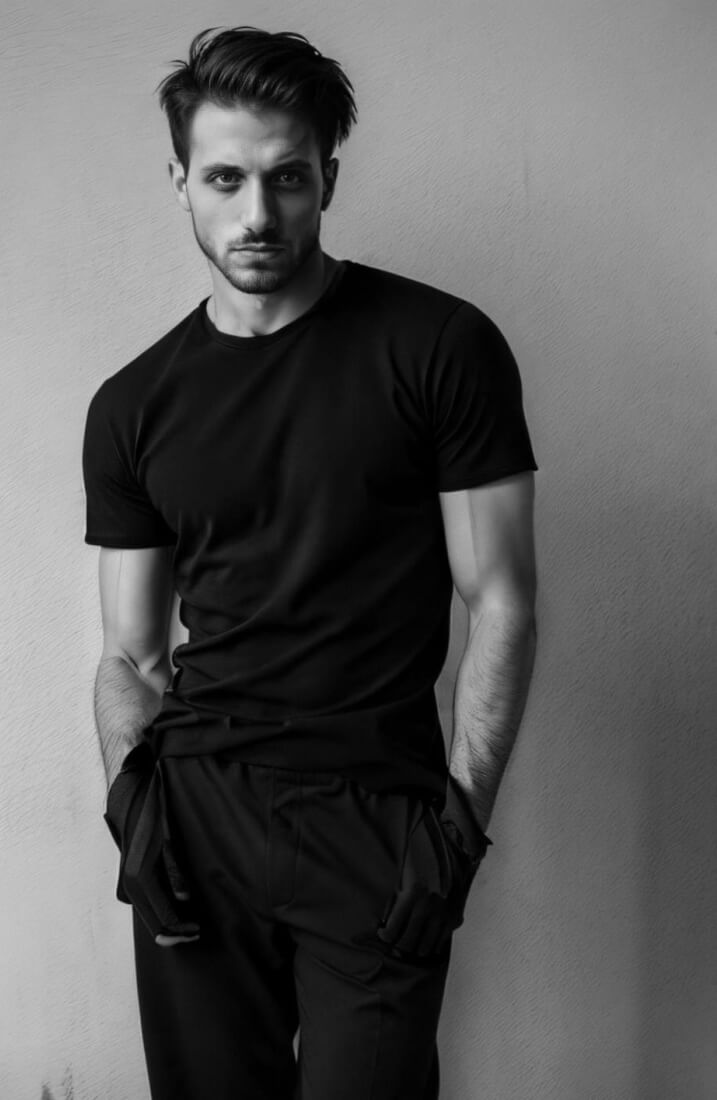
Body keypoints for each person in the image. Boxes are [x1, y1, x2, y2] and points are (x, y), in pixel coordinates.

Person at [81, 25, 538, 1100]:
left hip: (377, 818)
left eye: (286, 178)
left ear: (326, 177)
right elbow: (131, 656)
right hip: (196, 819)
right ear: (179, 181)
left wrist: (458, 829)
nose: (257, 213)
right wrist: (132, 810)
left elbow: (501, 599)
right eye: (224, 178)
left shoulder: (439, 346)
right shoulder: (132, 404)